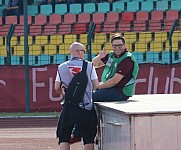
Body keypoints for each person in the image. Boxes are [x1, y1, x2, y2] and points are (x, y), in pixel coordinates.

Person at [72, 33, 139, 141]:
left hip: (120, 92)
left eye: (120, 45)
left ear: (125, 45)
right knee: (86, 99)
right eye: (114, 45)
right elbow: (93, 65)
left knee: (87, 98)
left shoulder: (127, 59)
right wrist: (99, 56)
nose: (117, 48)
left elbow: (115, 81)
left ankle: (79, 133)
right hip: (110, 88)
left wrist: (98, 86)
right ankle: (83, 130)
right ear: (111, 46)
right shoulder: (111, 55)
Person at [54, 42, 99, 150]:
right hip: (86, 107)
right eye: (83, 51)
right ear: (78, 52)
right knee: (88, 137)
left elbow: (57, 87)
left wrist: (66, 95)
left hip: (69, 107)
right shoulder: (89, 65)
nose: (84, 54)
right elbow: (96, 85)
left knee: (64, 136)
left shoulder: (61, 67)